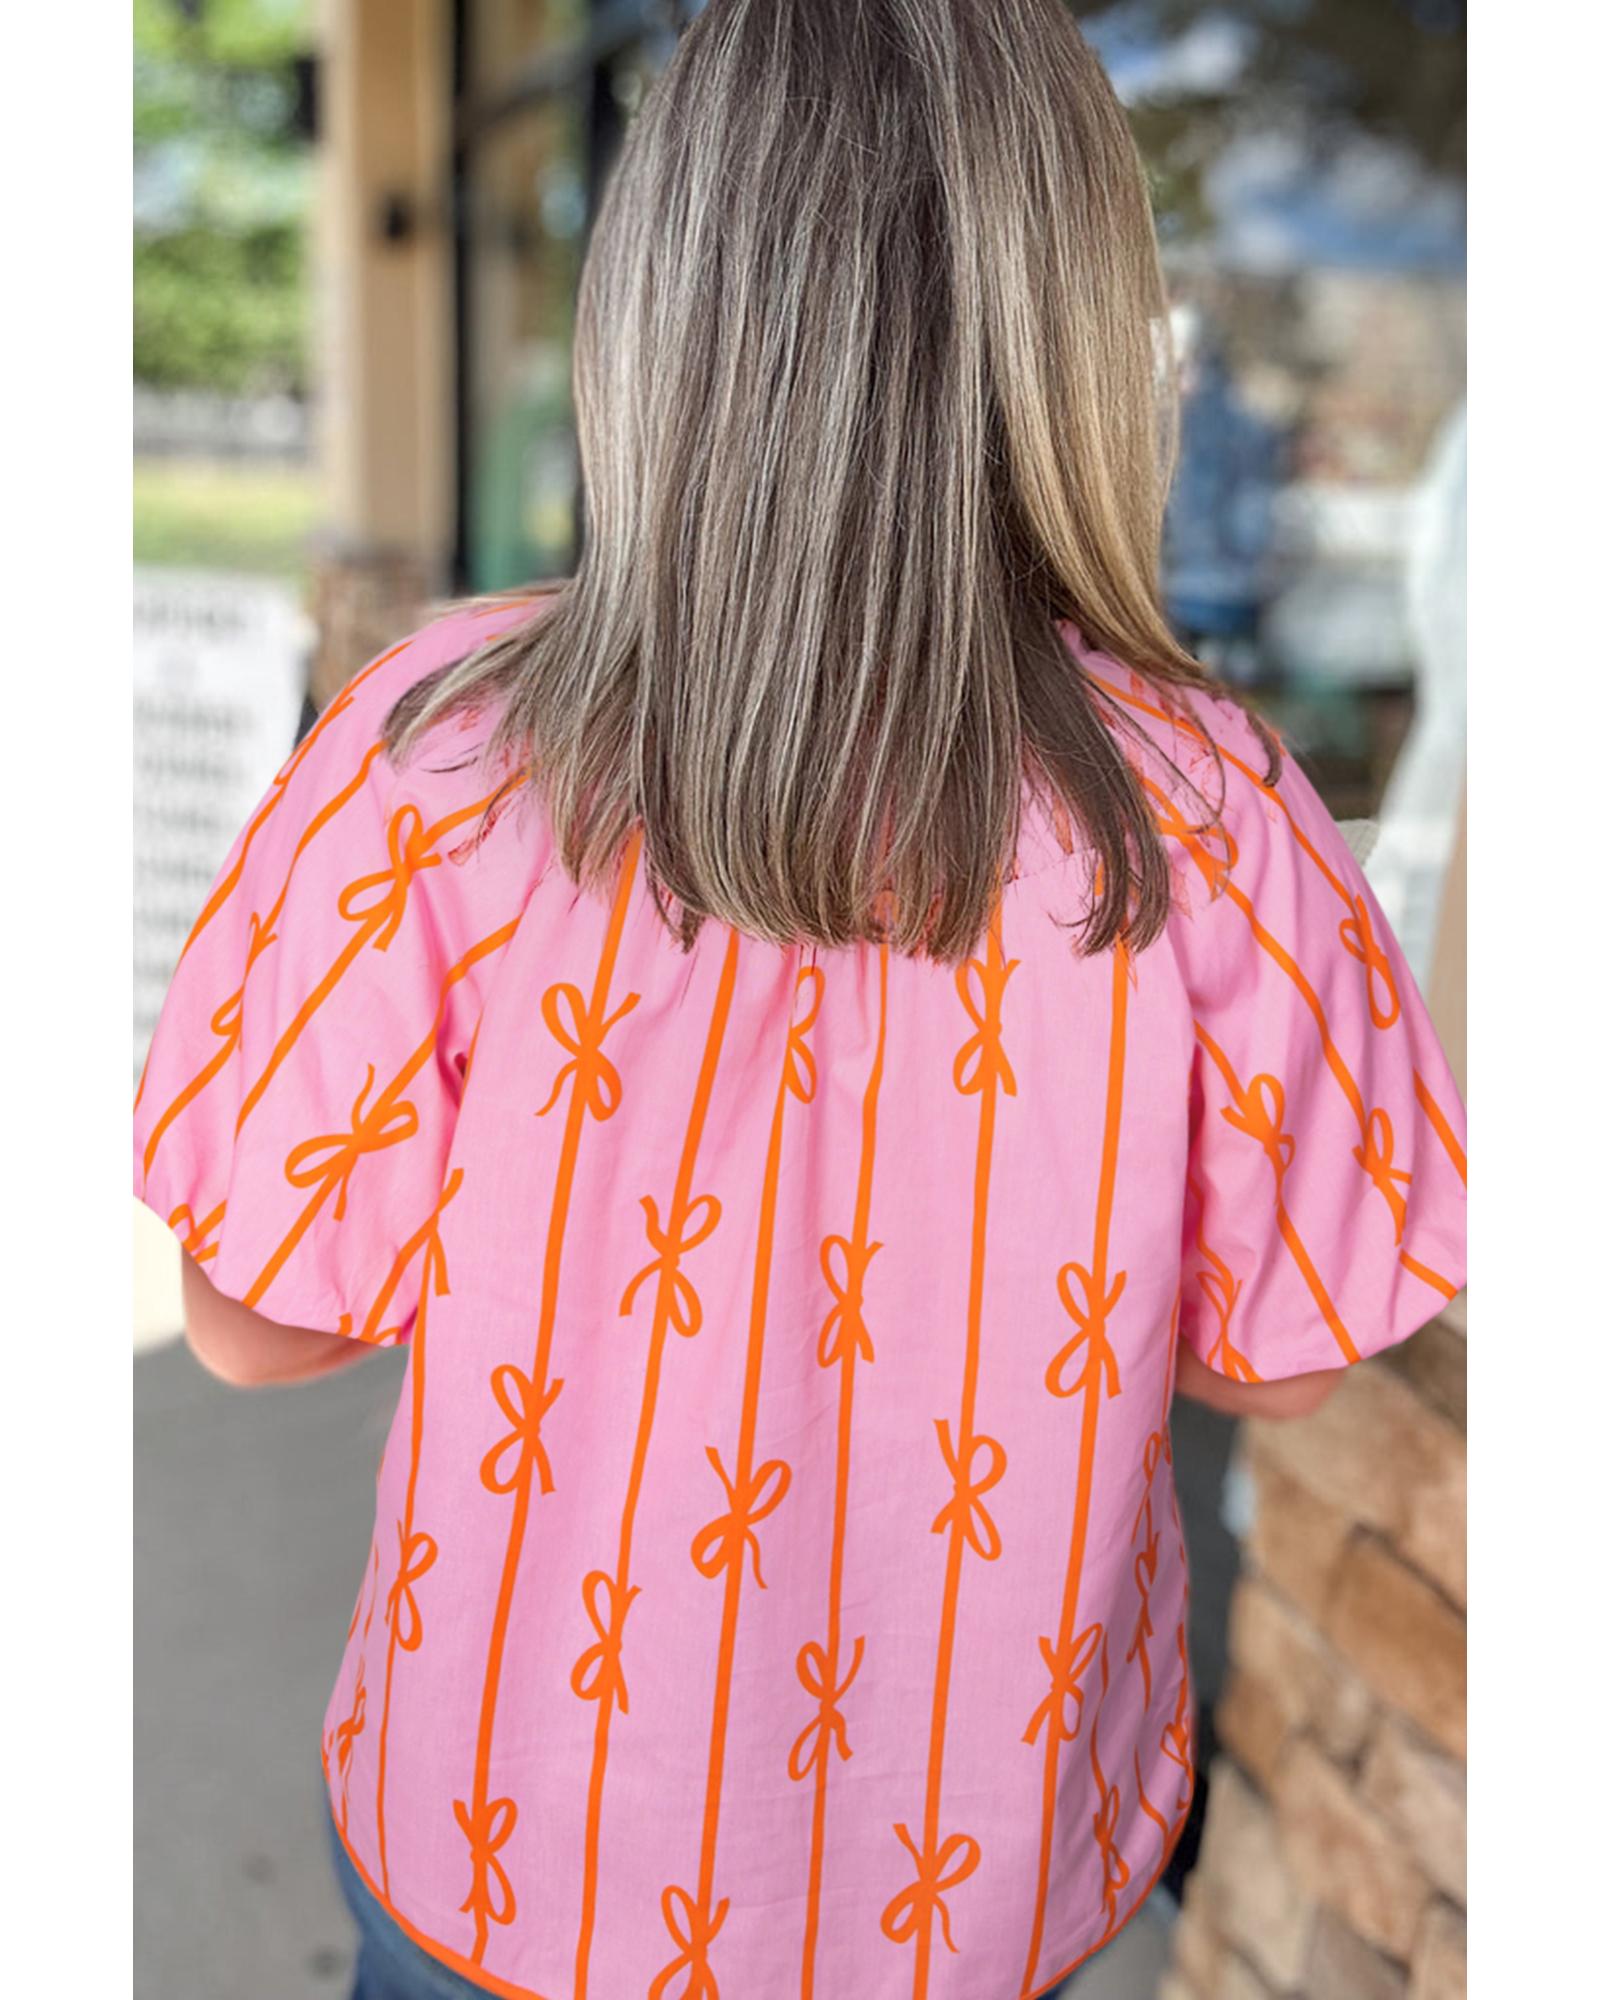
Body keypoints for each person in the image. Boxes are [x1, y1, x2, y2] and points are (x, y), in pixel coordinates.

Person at [132, 4, 1466, 1997]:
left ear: (655, 319)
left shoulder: (435, 759)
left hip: (510, 1846)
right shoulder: (1216, 807)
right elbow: (1283, 1353)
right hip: (981, 1884)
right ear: (1077, 335)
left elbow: (250, 1322)